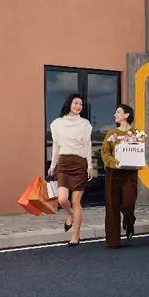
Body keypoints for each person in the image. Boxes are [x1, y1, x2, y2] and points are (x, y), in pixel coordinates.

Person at [48, 93, 94, 247]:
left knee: (76, 201)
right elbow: (56, 146)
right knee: (62, 199)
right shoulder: (57, 123)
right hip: (64, 163)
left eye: (81, 104)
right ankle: (70, 214)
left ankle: (76, 236)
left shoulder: (85, 124)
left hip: (80, 163)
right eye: (76, 103)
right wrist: (52, 166)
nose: (79, 106)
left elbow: (88, 145)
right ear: (69, 104)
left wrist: (90, 165)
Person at [101, 104, 142, 248]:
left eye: (118, 112)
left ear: (126, 115)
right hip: (114, 172)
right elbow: (105, 152)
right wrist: (114, 163)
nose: (115, 115)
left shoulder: (137, 133)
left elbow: (139, 152)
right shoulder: (111, 133)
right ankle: (113, 241)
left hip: (130, 173)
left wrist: (139, 162)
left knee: (129, 202)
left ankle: (129, 222)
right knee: (112, 205)